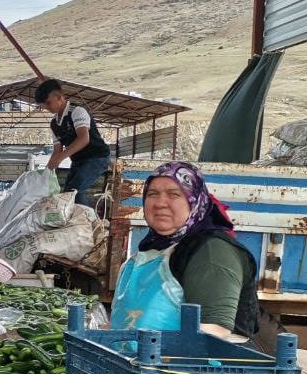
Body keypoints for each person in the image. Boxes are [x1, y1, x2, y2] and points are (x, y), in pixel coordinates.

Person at [111, 161, 264, 343]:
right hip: (141, 364)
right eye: (153, 194)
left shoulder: (211, 251)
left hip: (196, 368)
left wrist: (151, 358)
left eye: (174, 194)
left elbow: (215, 331)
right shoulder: (154, 247)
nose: (160, 203)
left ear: (194, 200)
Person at [36, 78, 112, 206]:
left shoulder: (77, 111)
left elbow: (84, 139)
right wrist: (47, 171)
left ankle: (87, 221)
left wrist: (60, 158)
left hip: (97, 158)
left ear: (59, 97)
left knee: (74, 192)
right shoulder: (54, 124)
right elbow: (57, 151)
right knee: (66, 193)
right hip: (78, 162)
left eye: (48, 103)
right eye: (44, 106)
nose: (47, 108)